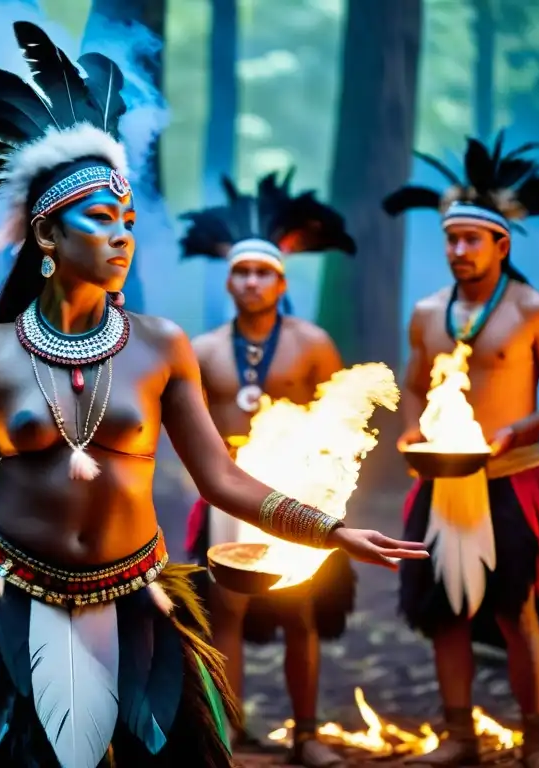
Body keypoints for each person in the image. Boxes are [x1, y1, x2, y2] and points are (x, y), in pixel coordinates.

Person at [0, 22, 427, 768]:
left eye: (129, 221)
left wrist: (331, 531)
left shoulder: (162, 345)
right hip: (3, 594)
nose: (121, 236)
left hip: (137, 594)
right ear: (47, 234)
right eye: (100, 219)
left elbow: (220, 477)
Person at [384, 134, 539, 768]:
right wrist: (411, 430)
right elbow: (414, 386)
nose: (458, 251)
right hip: (442, 481)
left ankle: (535, 739)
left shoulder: (533, 310)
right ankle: (458, 736)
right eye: (450, 239)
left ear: (501, 243)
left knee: (516, 610)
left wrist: (519, 428)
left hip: (513, 478)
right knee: (444, 613)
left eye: (471, 239)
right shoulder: (425, 313)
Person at [180, 171, 358, 767]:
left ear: (281, 281)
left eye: (262, 273)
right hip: (231, 496)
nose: (251, 282)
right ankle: (230, 729)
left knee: (301, 609)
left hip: (296, 491)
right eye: (241, 272)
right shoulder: (201, 350)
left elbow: (343, 418)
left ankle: (306, 733)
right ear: (228, 280)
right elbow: (187, 430)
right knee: (226, 608)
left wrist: (328, 489)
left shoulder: (312, 343)